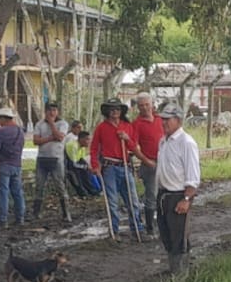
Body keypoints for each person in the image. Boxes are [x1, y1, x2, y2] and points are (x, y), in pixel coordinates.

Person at [156, 103, 201, 273]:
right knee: (166, 235)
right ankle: (174, 270)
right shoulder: (163, 141)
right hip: (163, 195)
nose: (164, 123)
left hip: (178, 196)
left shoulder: (186, 143)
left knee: (178, 238)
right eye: (163, 119)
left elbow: (193, 175)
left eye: (168, 119)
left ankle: (180, 276)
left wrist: (187, 199)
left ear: (178, 120)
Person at [89, 101, 145, 238]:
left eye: (117, 109)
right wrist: (95, 165)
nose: (115, 111)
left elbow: (133, 147)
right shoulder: (101, 128)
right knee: (112, 202)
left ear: (121, 111)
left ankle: (137, 229)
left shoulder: (127, 126)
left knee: (133, 200)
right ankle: (114, 231)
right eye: (112, 109)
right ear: (107, 111)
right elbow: (94, 148)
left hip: (125, 166)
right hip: (109, 167)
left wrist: (126, 139)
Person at [31, 101, 71, 224]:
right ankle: (36, 212)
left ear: (57, 111)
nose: (51, 112)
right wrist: (49, 138)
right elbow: (36, 141)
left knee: (60, 185)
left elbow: (59, 137)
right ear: (45, 111)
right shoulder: (39, 124)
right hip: (42, 158)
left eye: (54, 110)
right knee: (39, 186)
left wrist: (52, 124)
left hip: (56, 158)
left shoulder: (62, 123)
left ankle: (66, 212)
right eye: (49, 110)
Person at [131, 95, 163, 235]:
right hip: (150, 163)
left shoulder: (160, 119)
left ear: (152, 104)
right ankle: (150, 228)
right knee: (152, 195)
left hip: (165, 162)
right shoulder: (136, 124)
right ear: (138, 107)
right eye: (141, 105)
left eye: (146, 104)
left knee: (166, 193)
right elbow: (133, 146)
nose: (144, 107)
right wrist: (145, 160)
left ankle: (163, 222)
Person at [0, 106, 26, 226]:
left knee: (3, 192)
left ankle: (3, 218)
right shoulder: (20, 131)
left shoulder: (2, 131)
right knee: (17, 192)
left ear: (3, 119)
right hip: (17, 164)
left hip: (4, 164)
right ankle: (20, 217)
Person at [65, 129, 99, 197]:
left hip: (77, 162)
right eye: (87, 139)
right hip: (68, 162)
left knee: (86, 171)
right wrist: (85, 167)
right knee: (76, 174)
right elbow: (73, 164)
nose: (89, 142)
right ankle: (82, 192)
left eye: (89, 139)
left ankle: (92, 190)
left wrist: (88, 167)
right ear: (81, 139)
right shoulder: (73, 146)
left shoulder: (82, 147)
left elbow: (82, 159)